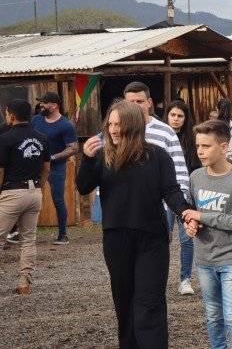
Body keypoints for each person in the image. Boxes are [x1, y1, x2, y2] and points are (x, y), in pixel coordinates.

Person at [76, 101, 191, 348]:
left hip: (152, 239)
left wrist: (185, 212)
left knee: (150, 302)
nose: (114, 129)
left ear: (134, 126)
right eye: (111, 124)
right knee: (125, 302)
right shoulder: (102, 156)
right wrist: (86, 158)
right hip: (117, 239)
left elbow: (171, 191)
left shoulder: (158, 156)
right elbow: (83, 186)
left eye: (120, 124)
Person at [183, 120, 232, 349]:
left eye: (206, 146)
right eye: (198, 146)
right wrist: (190, 224)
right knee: (213, 317)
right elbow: (191, 214)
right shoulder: (195, 177)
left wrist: (202, 217)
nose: (201, 151)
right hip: (204, 260)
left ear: (224, 147)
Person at [123, 81, 192, 294]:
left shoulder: (165, 132)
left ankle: (182, 279)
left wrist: (179, 203)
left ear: (149, 103)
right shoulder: (118, 130)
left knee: (166, 244)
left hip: (162, 204)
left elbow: (179, 169)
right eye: (130, 102)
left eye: (139, 101)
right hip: (128, 209)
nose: (135, 106)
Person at [0, 99, 50, 294]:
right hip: (34, 191)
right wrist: (39, 188)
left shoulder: (4, 139)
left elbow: (1, 172)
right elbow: (46, 169)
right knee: (28, 240)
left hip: (12, 191)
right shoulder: (42, 138)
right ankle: (24, 284)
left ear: (11, 115)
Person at [30, 91, 78, 245]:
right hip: (34, 167)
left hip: (57, 168)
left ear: (54, 105)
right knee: (29, 199)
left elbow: (73, 148)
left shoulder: (65, 125)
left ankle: (63, 235)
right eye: (41, 102)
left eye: (44, 103)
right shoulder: (35, 120)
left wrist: (53, 157)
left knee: (58, 200)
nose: (41, 105)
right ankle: (22, 233)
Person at [163, 100, 200, 295]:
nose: (176, 119)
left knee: (187, 239)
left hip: (186, 195)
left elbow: (197, 167)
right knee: (163, 238)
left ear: (186, 119)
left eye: (180, 116)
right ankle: (159, 278)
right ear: (167, 116)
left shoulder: (192, 140)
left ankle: (185, 279)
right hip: (163, 196)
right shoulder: (160, 137)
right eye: (173, 115)